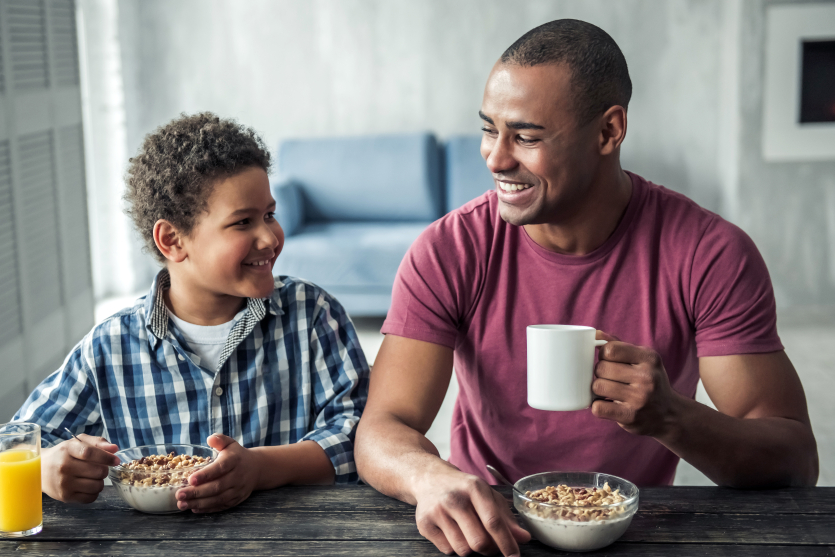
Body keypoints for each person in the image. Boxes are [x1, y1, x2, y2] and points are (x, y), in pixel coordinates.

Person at [354, 19, 818, 557]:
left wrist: (671, 416)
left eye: (526, 137)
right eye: (489, 129)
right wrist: (429, 478)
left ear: (608, 131)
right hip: (489, 526)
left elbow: (795, 461)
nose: (496, 158)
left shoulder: (709, 253)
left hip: (629, 531)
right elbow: (380, 430)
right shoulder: (449, 249)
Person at [13, 113, 370, 513]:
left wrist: (259, 468)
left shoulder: (314, 316)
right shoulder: (109, 348)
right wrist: (45, 466)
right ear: (172, 240)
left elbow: (361, 436)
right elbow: (16, 442)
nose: (270, 237)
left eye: (270, 214)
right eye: (242, 222)